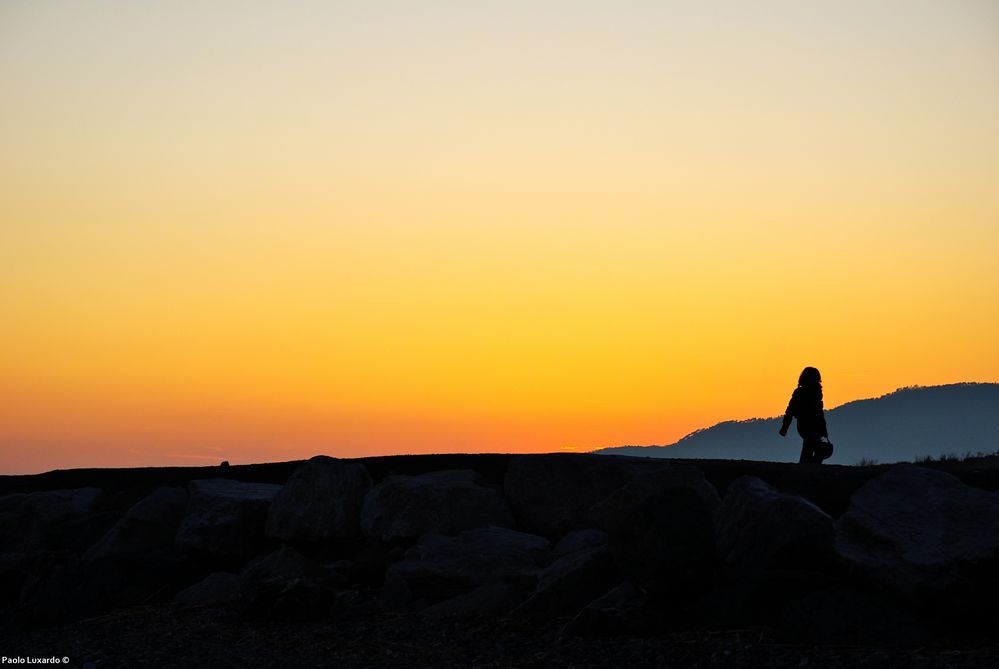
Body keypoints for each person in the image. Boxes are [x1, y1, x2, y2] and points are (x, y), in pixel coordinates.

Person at [779, 367, 833, 464]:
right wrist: (785, 427)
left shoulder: (817, 394)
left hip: (816, 428)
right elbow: (790, 411)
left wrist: (824, 434)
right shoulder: (800, 393)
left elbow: (820, 415)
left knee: (821, 448)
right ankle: (806, 468)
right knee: (812, 444)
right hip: (805, 426)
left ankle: (807, 467)